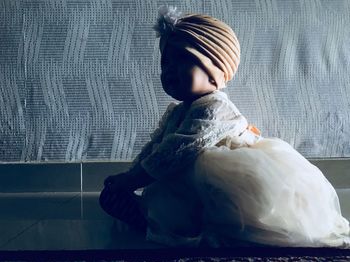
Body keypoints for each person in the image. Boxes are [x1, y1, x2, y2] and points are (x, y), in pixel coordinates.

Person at [100, 6, 350, 248]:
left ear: (215, 72)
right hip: (190, 180)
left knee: (222, 198)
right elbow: (158, 145)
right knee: (175, 192)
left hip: (232, 181)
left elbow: (179, 149)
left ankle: (184, 224)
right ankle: (150, 215)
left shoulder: (214, 107)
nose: (170, 70)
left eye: (182, 61)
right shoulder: (179, 110)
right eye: (166, 63)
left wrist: (132, 180)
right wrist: (130, 175)